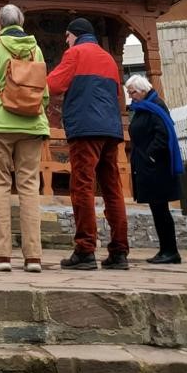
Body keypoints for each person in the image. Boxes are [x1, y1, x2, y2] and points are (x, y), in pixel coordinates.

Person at [47, 17, 129, 272]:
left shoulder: (75, 54)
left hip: (85, 130)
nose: (66, 41)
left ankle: (85, 249)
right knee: (112, 189)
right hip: (111, 130)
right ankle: (119, 251)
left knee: (82, 186)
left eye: (67, 37)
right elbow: (117, 94)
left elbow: (53, 85)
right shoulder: (109, 59)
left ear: (74, 35)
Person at [0, 4, 49, 273]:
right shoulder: (36, 49)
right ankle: (33, 257)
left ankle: (3, 256)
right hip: (32, 122)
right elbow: (44, 90)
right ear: (21, 21)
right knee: (29, 186)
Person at [125, 75, 183, 264]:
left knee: (161, 210)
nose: (131, 96)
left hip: (157, 167)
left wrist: (150, 155)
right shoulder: (143, 108)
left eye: (132, 92)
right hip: (148, 166)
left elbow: (163, 133)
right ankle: (165, 249)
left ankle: (170, 250)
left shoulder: (155, 106)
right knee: (157, 209)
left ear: (142, 90)